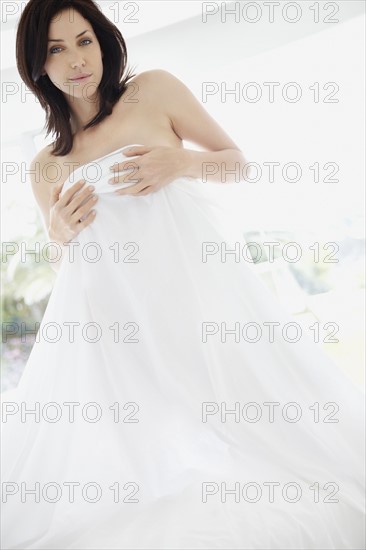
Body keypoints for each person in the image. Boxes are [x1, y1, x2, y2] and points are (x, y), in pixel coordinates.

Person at [1, 1, 364, 549]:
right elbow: (69, 269)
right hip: (121, 337)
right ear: (37, 66)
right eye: (56, 49)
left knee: (274, 425)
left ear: (103, 42)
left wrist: (182, 163)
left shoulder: (154, 91)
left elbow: (236, 161)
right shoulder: (47, 164)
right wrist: (57, 230)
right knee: (146, 466)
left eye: (84, 41)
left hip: (202, 304)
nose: (77, 60)